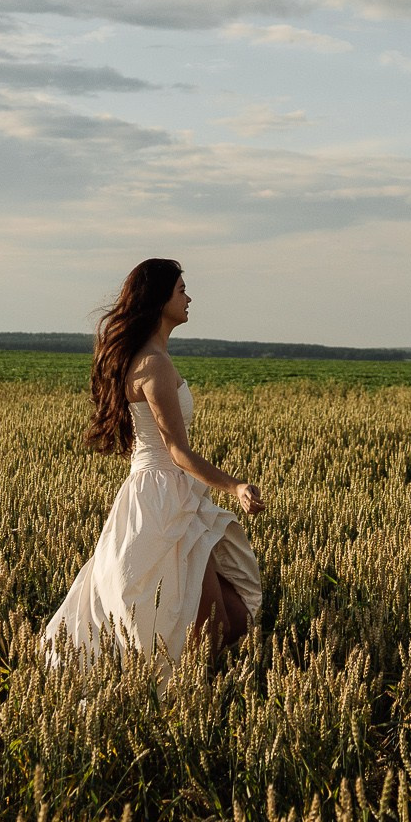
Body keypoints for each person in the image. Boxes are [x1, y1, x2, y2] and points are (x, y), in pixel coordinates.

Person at [44, 259, 265, 672]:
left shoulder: (147, 359)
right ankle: (180, 699)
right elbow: (177, 450)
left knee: (227, 621)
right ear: (160, 298)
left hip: (165, 490)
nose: (189, 298)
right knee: (207, 627)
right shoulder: (154, 364)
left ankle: (185, 691)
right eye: (181, 290)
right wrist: (235, 486)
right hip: (163, 499)